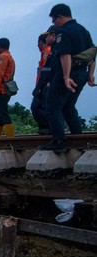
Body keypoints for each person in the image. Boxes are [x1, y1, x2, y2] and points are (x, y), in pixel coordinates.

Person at [40, 3, 95, 153]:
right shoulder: (83, 30)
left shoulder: (63, 32)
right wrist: (90, 74)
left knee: (52, 107)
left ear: (60, 17)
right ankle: (79, 139)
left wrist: (65, 77)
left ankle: (59, 141)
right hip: (82, 73)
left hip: (68, 74)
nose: (53, 23)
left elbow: (65, 55)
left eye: (54, 19)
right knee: (68, 107)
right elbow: (92, 53)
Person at [31, 27, 54, 135]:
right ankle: (46, 129)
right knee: (39, 107)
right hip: (43, 85)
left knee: (37, 107)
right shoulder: (45, 53)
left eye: (38, 43)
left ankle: (47, 129)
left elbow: (46, 72)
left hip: (45, 86)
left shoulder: (47, 52)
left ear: (41, 42)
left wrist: (39, 87)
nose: (37, 46)